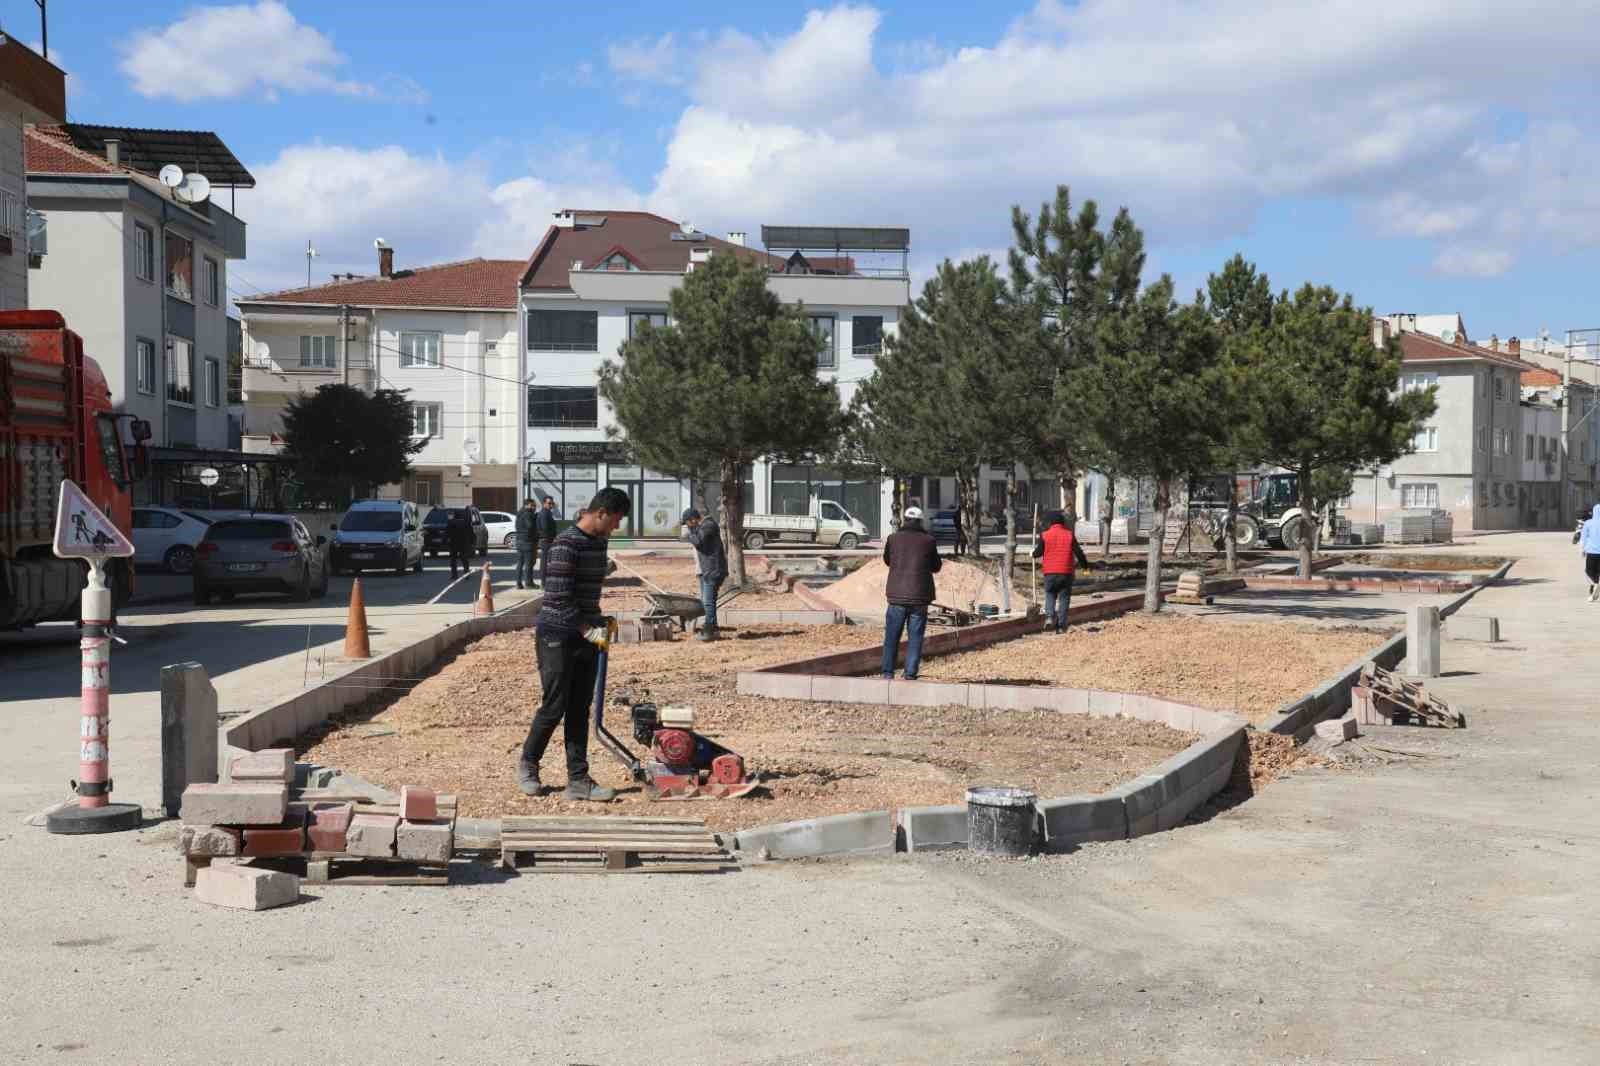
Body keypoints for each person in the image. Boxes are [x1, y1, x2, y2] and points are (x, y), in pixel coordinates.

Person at [518, 487, 631, 800]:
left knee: (580, 709)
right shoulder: (565, 544)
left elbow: (586, 589)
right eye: (616, 520)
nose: (617, 527)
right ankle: (528, 764)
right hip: (557, 634)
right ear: (602, 513)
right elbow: (558, 597)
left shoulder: (599, 542)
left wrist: (598, 620)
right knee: (555, 706)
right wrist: (586, 628)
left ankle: (578, 780)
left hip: (586, 635)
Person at [882, 506, 941, 680]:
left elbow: (887, 560)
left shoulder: (893, 539)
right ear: (920, 521)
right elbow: (936, 566)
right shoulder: (929, 541)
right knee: (915, 638)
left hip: (896, 596)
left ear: (905, 519)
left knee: (891, 637)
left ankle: (887, 673)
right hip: (919, 597)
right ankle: (910, 673)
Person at [1032, 509, 1091, 632]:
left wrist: (1031, 554)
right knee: (1064, 598)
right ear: (1062, 522)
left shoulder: (1045, 535)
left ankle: (1049, 617)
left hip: (1050, 572)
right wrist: (1085, 568)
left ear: (1051, 522)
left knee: (1050, 594)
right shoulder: (1069, 535)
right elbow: (1079, 553)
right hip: (1066, 572)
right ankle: (1061, 625)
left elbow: (1038, 553)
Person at [681, 508, 728, 641]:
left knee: (708, 602)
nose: (688, 526)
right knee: (708, 601)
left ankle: (709, 630)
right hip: (707, 569)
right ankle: (714, 628)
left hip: (713, 569)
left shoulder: (709, 525)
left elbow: (698, 541)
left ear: (693, 519)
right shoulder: (703, 527)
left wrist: (689, 533)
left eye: (688, 523)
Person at [513, 498, 538, 589]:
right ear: (527, 505)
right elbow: (530, 526)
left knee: (520, 563)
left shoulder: (519, 513)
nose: (534, 507)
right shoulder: (528, 514)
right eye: (532, 505)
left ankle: (518, 583)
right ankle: (529, 583)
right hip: (527, 541)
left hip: (519, 540)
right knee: (529, 563)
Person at [535, 495, 560, 583]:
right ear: (544, 503)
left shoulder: (547, 512)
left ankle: (546, 580)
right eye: (549, 503)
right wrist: (552, 538)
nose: (551, 505)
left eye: (552, 503)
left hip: (547, 539)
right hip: (546, 540)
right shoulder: (544, 513)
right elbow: (545, 528)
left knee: (548, 561)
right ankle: (544, 582)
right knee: (545, 562)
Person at [1579, 503, 1600, 602]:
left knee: (1589, 571)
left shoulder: (1588, 523)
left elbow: (1583, 538)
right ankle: (1596, 586)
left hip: (1591, 552)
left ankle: (1595, 585)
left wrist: (1582, 550)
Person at [445, 509, 474, 579]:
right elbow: (471, 533)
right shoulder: (466, 523)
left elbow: (447, 533)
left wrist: (445, 541)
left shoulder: (451, 522)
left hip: (453, 544)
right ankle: (466, 574)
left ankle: (454, 575)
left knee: (453, 560)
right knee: (464, 559)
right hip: (463, 543)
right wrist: (472, 542)